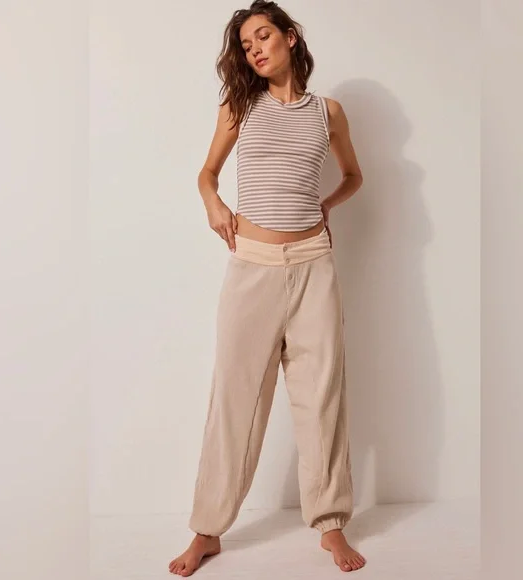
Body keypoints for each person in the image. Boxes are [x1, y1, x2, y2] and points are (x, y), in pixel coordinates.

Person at [169, 0, 364, 575]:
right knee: (236, 398)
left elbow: (355, 176)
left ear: (290, 36)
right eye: (246, 44)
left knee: (321, 395)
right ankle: (207, 529)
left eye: (262, 36)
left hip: (314, 265)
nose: (254, 49)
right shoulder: (240, 106)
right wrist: (213, 203)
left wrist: (325, 206)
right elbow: (206, 172)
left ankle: (330, 523)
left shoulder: (328, 112)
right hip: (252, 265)